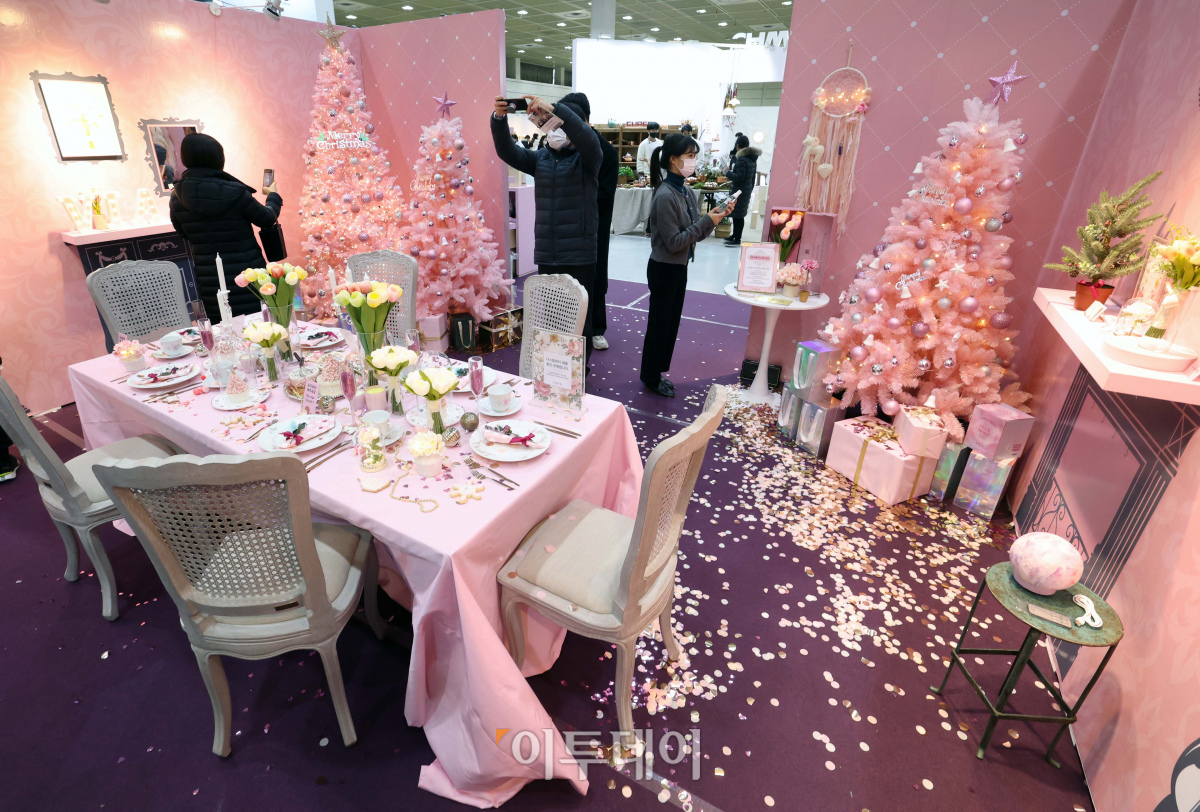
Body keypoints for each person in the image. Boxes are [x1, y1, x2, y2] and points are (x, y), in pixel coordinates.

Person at [491, 94, 602, 359]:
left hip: (578, 254)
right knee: (552, 319)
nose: (555, 131)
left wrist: (556, 109)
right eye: (552, 124)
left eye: (560, 125)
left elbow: (587, 138)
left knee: (578, 319)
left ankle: (579, 372)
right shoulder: (540, 159)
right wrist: (499, 119)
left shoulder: (588, 159)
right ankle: (554, 368)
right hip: (548, 254)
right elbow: (507, 151)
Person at [640, 134, 735, 397]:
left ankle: (657, 372)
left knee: (670, 324)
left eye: (694, 155)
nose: (694, 161)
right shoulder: (665, 196)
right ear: (674, 159)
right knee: (659, 326)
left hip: (679, 267)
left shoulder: (687, 192)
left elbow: (694, 235)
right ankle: (650, 377)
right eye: (690, 156)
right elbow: (674, 242)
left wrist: (715, 219)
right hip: (664, 268)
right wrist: (706, 221)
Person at [169, 133, 282, 318]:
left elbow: (184, 233)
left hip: (210, 278)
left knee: (224, 325)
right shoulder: (235, 191)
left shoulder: (177, 196)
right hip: (248, 273)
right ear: (218, 158)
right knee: (260, 324)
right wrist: (273, 196)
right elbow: (267, 218)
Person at [560, 91, 617, 352]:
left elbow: (604, 195)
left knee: (595, 274)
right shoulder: (559, 146)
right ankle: (566, 325)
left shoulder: (605, 150)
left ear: (584, 119)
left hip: (594, 224)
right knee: (564, 277)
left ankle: (597, 327)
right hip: (564, 223)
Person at [723, 134, 760, 247]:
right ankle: (735, 235)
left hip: (739, 191)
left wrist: (727, 172)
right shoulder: (752, 159)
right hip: (745, 190)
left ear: (737, 146)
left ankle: (737, 239)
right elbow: (752, 177)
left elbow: (739, 177)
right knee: (738, 214)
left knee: (738, 215)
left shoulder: (741, 160)